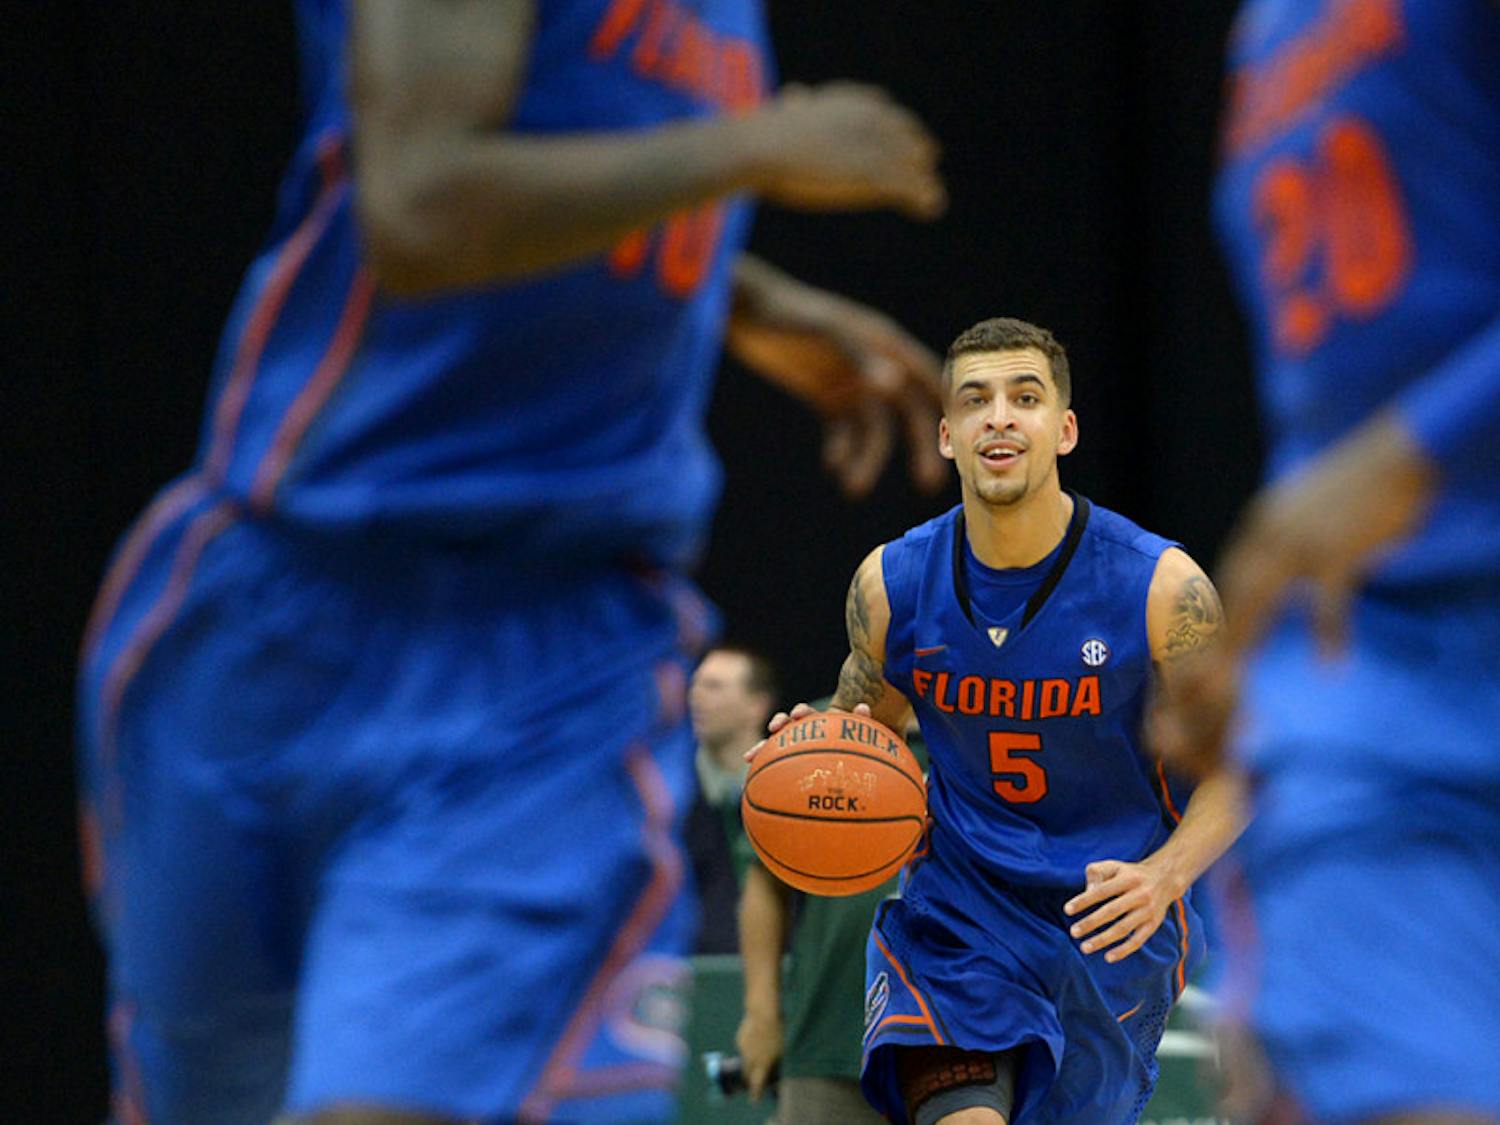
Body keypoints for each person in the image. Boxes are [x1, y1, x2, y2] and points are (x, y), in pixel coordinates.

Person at [73, 1, 954, 1122]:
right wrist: (755, 149)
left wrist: (747, 295)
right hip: (282, 600)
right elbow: (423, 204)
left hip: (553, 657)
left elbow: (569, 154)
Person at [760, 317, 1246, 1124]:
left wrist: (1167, 876)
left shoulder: (1161, 588)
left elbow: (1241, 761)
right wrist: (808, 752)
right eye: (976, 399)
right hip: (958, 915)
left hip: (1107, 921)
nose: (1000, 417)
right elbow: (862, 731)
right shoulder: (892, 584)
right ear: (946, 434)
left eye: (1025, 397)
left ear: (1065, 427)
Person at [1151, 3, 1500, 1124]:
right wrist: (1256, 643)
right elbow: (1341, 407)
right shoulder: (1262, 33)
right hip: (1386, 696)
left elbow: (1380, 454)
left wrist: (1414, 449)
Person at [734, 708, 927, 1125]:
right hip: (829, 1033)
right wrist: (761, 1011)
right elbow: (763, 885)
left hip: (964, 1030)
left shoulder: (981, 729)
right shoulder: (822, 728)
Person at [685, 645, 777, 954]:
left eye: (714, 687)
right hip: (690, 969)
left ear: (757, 705)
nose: (696, 696)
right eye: (695, 683)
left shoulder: (787, 792)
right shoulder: (670, 794)